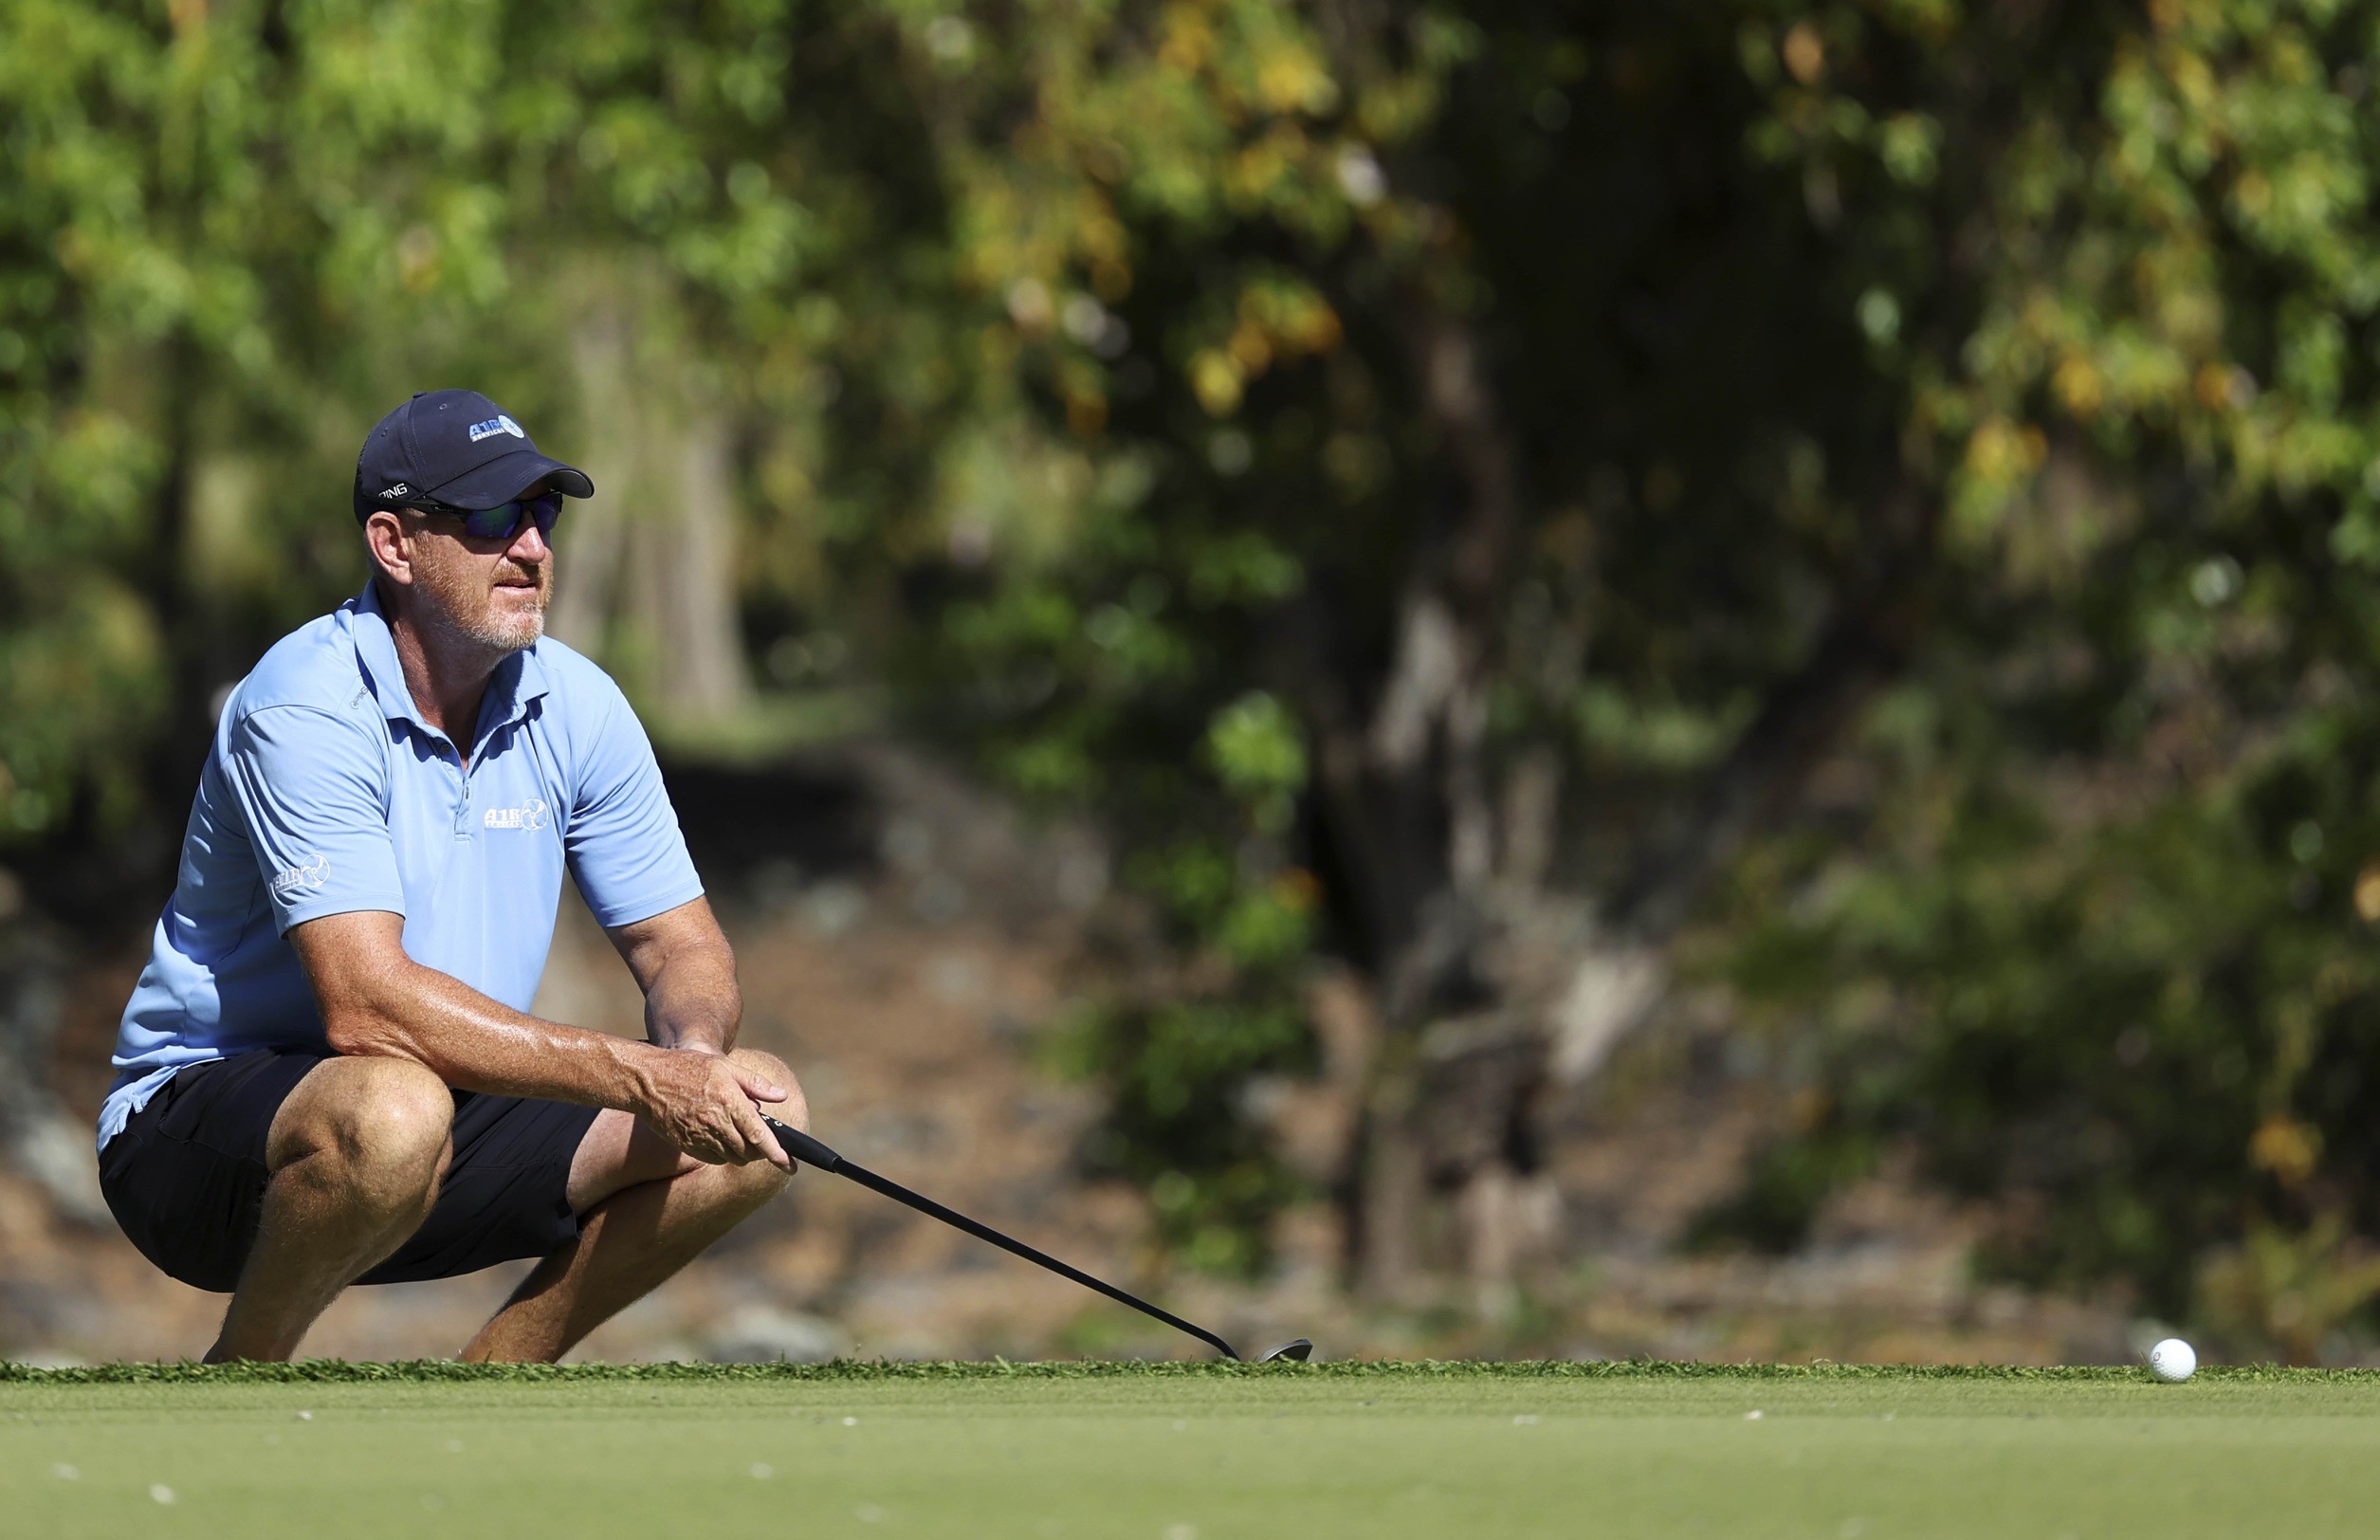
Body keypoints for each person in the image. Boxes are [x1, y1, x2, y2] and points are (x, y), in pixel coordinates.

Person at [97, 389, 805, 1363]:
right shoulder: (302, 702)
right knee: (393, 1106)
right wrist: (640, 1074)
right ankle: (241, 1382)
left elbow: (677, 942)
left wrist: (691, 1055)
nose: (530, 546)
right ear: (393, 545)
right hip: (201, 1143)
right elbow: (365, 1007)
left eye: (541, 513)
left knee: (762, 1110)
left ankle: (497, 1380)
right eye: (487, 518)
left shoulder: (580, 704)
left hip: (437, 1120)